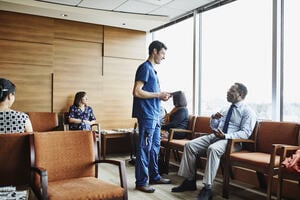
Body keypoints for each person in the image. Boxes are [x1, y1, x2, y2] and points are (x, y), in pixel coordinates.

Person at [171, 83, 257, 200]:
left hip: (233, 141)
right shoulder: (225, 108)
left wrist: (226, 135)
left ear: (240, 94)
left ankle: (207, 188)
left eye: (231, 90)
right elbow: (214, 125)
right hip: (216, 136)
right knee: (190, 145)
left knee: (213, 149)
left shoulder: (248, 112)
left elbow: (246, 133)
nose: (227, 92)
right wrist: (214, 119)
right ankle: (190, 181)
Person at [132, 40, 172, 193]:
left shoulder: (153, 71)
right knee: (144, 148)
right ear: (154, 51)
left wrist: (161, 96)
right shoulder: (145, 68)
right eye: (162, 53)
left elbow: (151, 94)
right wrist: (158, 94)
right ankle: (141, 182)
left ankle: (154, 176)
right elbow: (136, 91)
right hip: (147, 115)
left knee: (155, 147)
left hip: (155, 116)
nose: (163, 57)